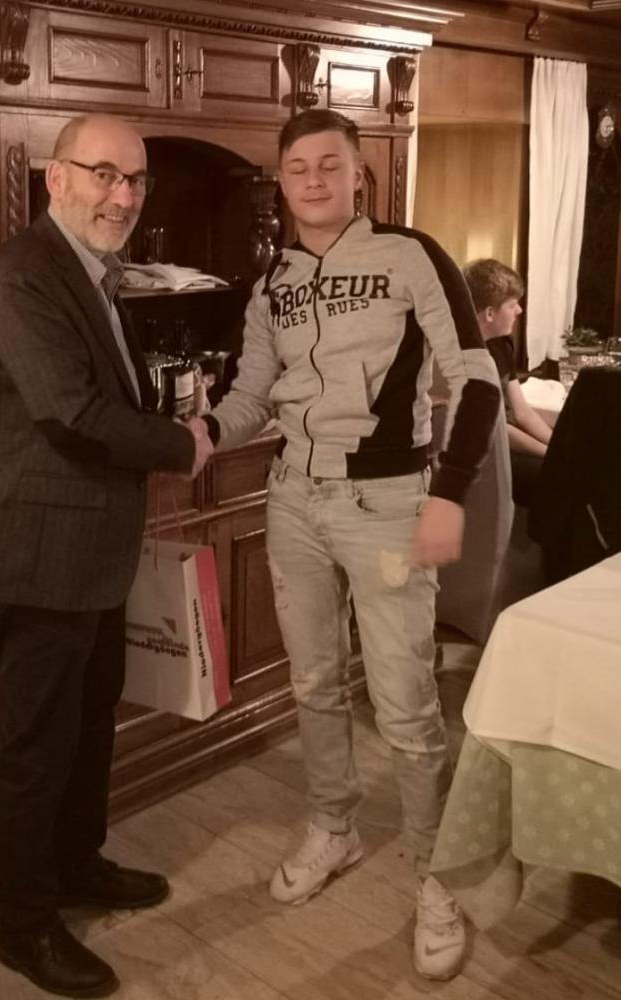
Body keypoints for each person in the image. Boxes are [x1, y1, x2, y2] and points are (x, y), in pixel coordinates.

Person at [201, 109, 501, 981]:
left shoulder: (410, 255)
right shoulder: (273, 282)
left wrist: (447, 496)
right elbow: (251, 392)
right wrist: (201, 433)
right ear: (282, 181)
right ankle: (333, 826)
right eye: (298, 168)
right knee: (313, 681)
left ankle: (435, 873)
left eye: (330, 165)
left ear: (358, 174)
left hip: (387, 504)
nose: (314, 180)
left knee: (405, 702)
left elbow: (477, 377)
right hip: (293, 499)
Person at [0, 113, 213, 998]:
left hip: (91, 548)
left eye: (135, 180)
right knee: (35, 746)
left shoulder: (92, 271)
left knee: (89, 724)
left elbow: (104, 396)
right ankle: (24, 925)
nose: (123, 196)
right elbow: (72, 411)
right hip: (41, 548)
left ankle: (75, 864)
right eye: (104, 174)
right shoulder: (24, 277)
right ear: (55, 178)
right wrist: (181, 444)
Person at [463, 258, 553, 507]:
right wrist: (550, 454)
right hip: (484, 452)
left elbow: (522, 412)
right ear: (490, 313)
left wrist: (557, 446)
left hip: (505, 439)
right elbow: (497, 429)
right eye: (512, 305)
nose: (519, 311)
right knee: (557, 475)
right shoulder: (462, 357)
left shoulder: (500, 345)